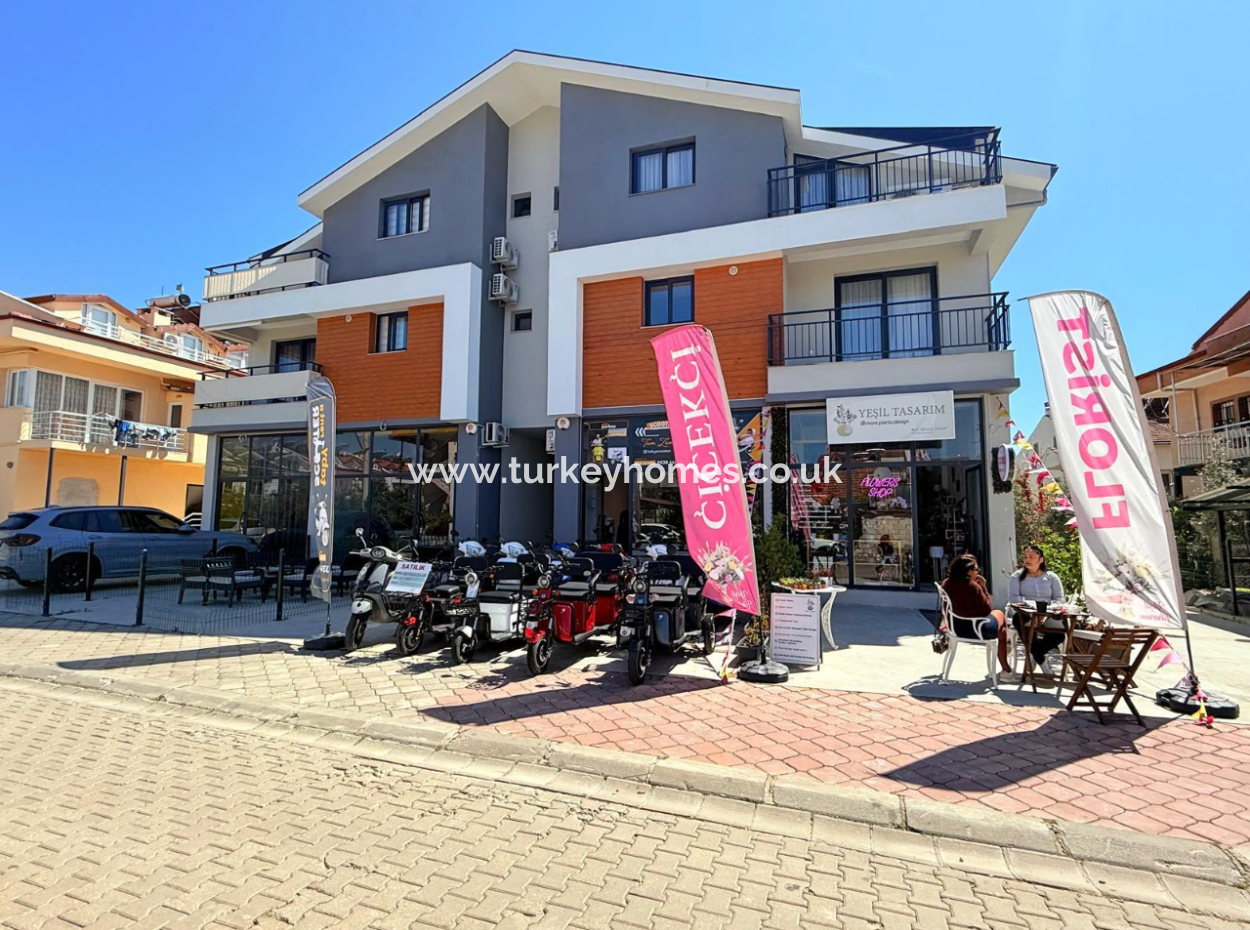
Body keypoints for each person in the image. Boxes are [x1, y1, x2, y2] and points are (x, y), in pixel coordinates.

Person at [940, 553, 1016, 679]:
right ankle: (1005, 667)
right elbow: (986, 610)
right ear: (969, 572)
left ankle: (1005, 663)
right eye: (976, 570)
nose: (977, 572)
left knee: (1000, 624)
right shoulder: (973, 586)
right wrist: (983, 587)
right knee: (999, 615)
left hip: (954, 627)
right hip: (976, 629)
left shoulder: (946, 583)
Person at [1008, 544, 1067, 670]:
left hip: (1048, 614)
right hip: (1025, 614)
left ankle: (1036, 654)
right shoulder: (1017, 577)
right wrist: (1032, 606)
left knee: (1059, 635)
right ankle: (1042, 662)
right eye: (1025, 557)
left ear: (1041, 560)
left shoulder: (1051, 577)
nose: (1027, 560)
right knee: (1019, 621)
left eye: (1031, 557)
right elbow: (1013, 598)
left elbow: (1060, 599)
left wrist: (1046, 613)